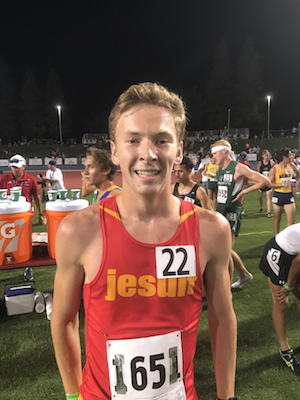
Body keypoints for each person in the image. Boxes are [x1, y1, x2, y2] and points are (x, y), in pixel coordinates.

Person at [51, 82, 237, 400]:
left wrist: (227, 396)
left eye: (161, 140)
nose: (147, 154)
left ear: (179, 149)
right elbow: (64, 319)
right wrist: (72, 396)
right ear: (115, 150)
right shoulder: (78, 230)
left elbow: (222, 318)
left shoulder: (211, 230)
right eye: (133, 140)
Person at [211, 140, 270, 289]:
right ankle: (244, 274)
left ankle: (227, 288)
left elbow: (264, 181)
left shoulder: (238, 168)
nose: (213, 157)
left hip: (232, 212)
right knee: (224, 249)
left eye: (215, 153)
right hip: (221, 211)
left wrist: (244, 191)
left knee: (224, 250)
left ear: (224, 151)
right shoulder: (219, 171)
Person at [258, 223, 300, 374]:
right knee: (281, 302)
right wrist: (289, 286)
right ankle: (285, 350)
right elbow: (297, 262)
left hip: (295, 253)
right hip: (279, 254)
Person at [0, 154, 45, 224]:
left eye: (17, 167)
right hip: (8, 212)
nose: (15, 169)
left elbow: (37, 197)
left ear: (23, 166)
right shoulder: (4, 179)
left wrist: (40, 214)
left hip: (25, 212)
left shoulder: (31, 180)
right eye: (12, 167)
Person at [268, 148, 300, 234]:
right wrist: (283, 185)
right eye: (290, 155)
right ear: (284, 157)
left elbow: (298, 174)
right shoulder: (275, 169)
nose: (292, 156)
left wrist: (295, 183)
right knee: (277, 218)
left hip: (289, 195)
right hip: (278, 195)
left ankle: (288, 238)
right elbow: (270, 184)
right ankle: (276, 236)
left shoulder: (291, 166)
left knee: (291, 220)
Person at [257, 149, 275, 218]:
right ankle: (261, 207)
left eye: (268, 155)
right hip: (262, 182)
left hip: (268, 182)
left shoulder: (271, 163)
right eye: (265, 155)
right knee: (261, 197)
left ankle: (269, 212)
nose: (267, 156)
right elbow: (258, 173)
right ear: (262, 156)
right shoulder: (260, 163)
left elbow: (274, 172)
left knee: (268, 197)